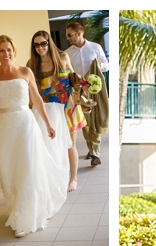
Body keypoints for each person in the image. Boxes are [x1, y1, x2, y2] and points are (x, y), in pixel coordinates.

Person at [0, 35, 68, 237]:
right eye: (2, 50)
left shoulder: (25, 72)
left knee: (27, 168)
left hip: (25, 125)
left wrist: (48, 124)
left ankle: (26, 218)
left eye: (9, 49)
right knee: (8, 170)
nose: (6, 53)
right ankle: (17, 209)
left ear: (14, 50)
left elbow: (36, 99)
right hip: (2, 126)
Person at [28, 30, 86, 193]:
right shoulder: (32, 64)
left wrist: (83, 84)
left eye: (43, 43)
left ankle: (73, 178)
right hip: (48, 110)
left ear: (49, 43)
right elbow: (31, 91)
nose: (40, 47)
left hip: (67, 106)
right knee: (50, 145)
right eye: (36, 45)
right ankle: (54, 177)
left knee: (70, 145)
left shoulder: (63, 57)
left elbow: (73, 78)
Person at [64, 22, 108, 166]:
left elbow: (107, 65)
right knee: (85, 122)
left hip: (94, 90)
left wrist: (100, 65)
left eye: (70, 35)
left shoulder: (95, 47)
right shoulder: (67, 53)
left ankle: (95, 153)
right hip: (78, 91)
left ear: (79, 33)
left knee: (94, 119)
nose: (68, 38)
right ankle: (91, 148)